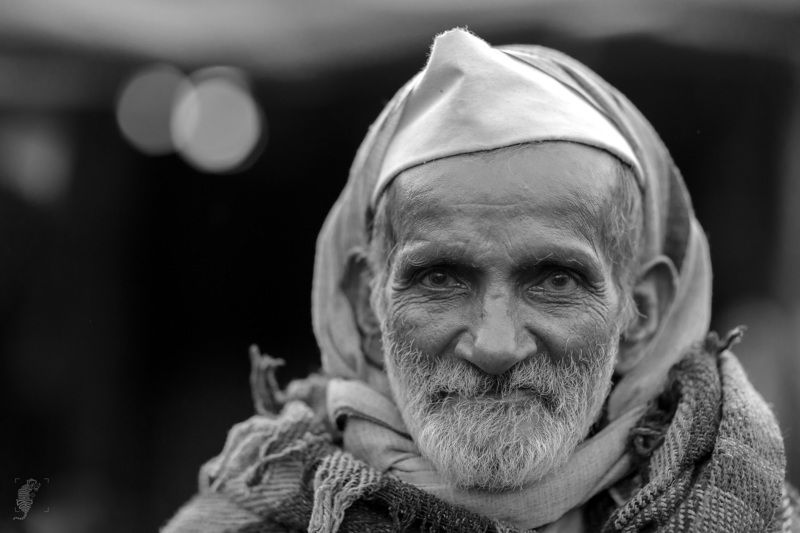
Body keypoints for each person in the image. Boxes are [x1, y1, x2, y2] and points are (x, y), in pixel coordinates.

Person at [163, 28, 799, 532]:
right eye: (440, 278)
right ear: (366, 303)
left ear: (642, 312)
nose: (495, 347)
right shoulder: (242, 520)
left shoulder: (752, 513)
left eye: (554, 280)